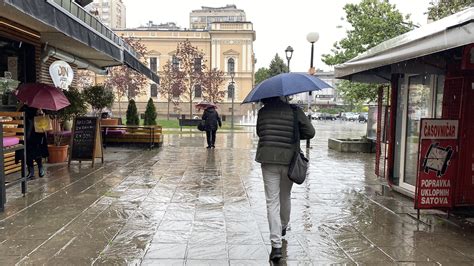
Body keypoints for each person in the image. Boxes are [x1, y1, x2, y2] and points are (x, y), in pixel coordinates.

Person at [255, 96, 315, 262]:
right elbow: (311, 132)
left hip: (267, 160)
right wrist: (295, 133)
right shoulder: (295, 111)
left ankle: (276, 246)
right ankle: (282, 226)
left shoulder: (263, 112)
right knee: (285, 196)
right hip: (289, 160)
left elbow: (260, 133)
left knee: (272, 201)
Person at [21, 105, 49, 179]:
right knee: (27, 150)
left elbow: (46, 114)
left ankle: (40, 167)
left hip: (37, 130)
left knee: (37, 149)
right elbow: (17, 117)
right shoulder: (24, 106)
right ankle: (31, 171)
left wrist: (41, 112)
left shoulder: (40, 104)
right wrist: (20, 106)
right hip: (26, 130)